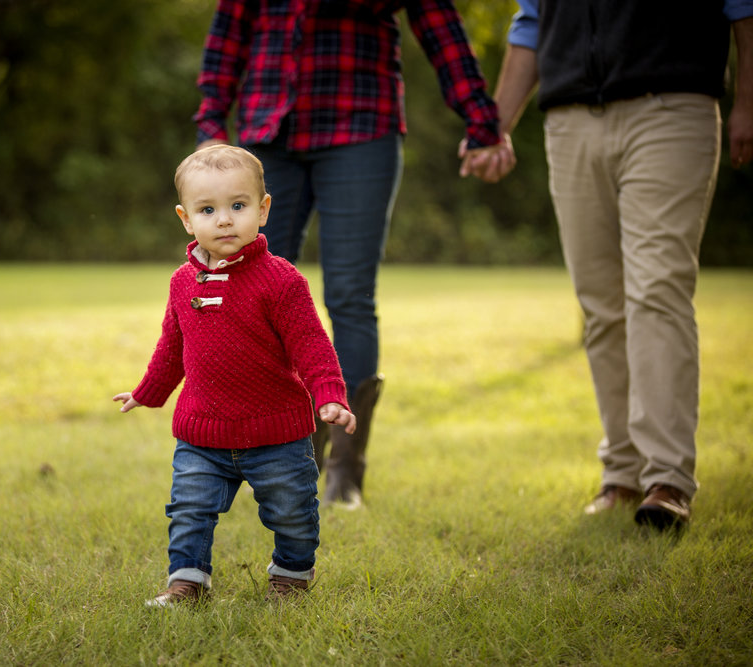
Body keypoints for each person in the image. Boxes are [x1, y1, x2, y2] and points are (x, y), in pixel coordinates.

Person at [191, 0, 513, 508]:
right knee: (255, 292)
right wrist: (211, 120)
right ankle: (287, 456)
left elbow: (438, 23)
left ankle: (344, 470)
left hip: (360, 124)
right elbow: (230, 29)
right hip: (268, 129)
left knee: (351, 296)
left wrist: (481, 119)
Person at [461, 1, 753, 530]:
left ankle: (667, 478)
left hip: (671, 104)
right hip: (570, 118)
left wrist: (749, 102)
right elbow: (531, 20)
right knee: (600, 304)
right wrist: (493, 128)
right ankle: (621, 473)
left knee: (657, 290)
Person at [113, 145, 357, 607]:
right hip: (202, 435)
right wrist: (148, 392)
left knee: (293, 513)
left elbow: (312, 344)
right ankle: (187, 583)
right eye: (208, 210)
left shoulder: (281, 281)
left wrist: (329, 395)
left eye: (238, 206)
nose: (224, 220)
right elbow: (173, 346)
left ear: (263, 210)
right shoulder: (182, 283)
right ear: (187, 219)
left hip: (277, 434)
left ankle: (290, 578)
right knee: (189, 510)